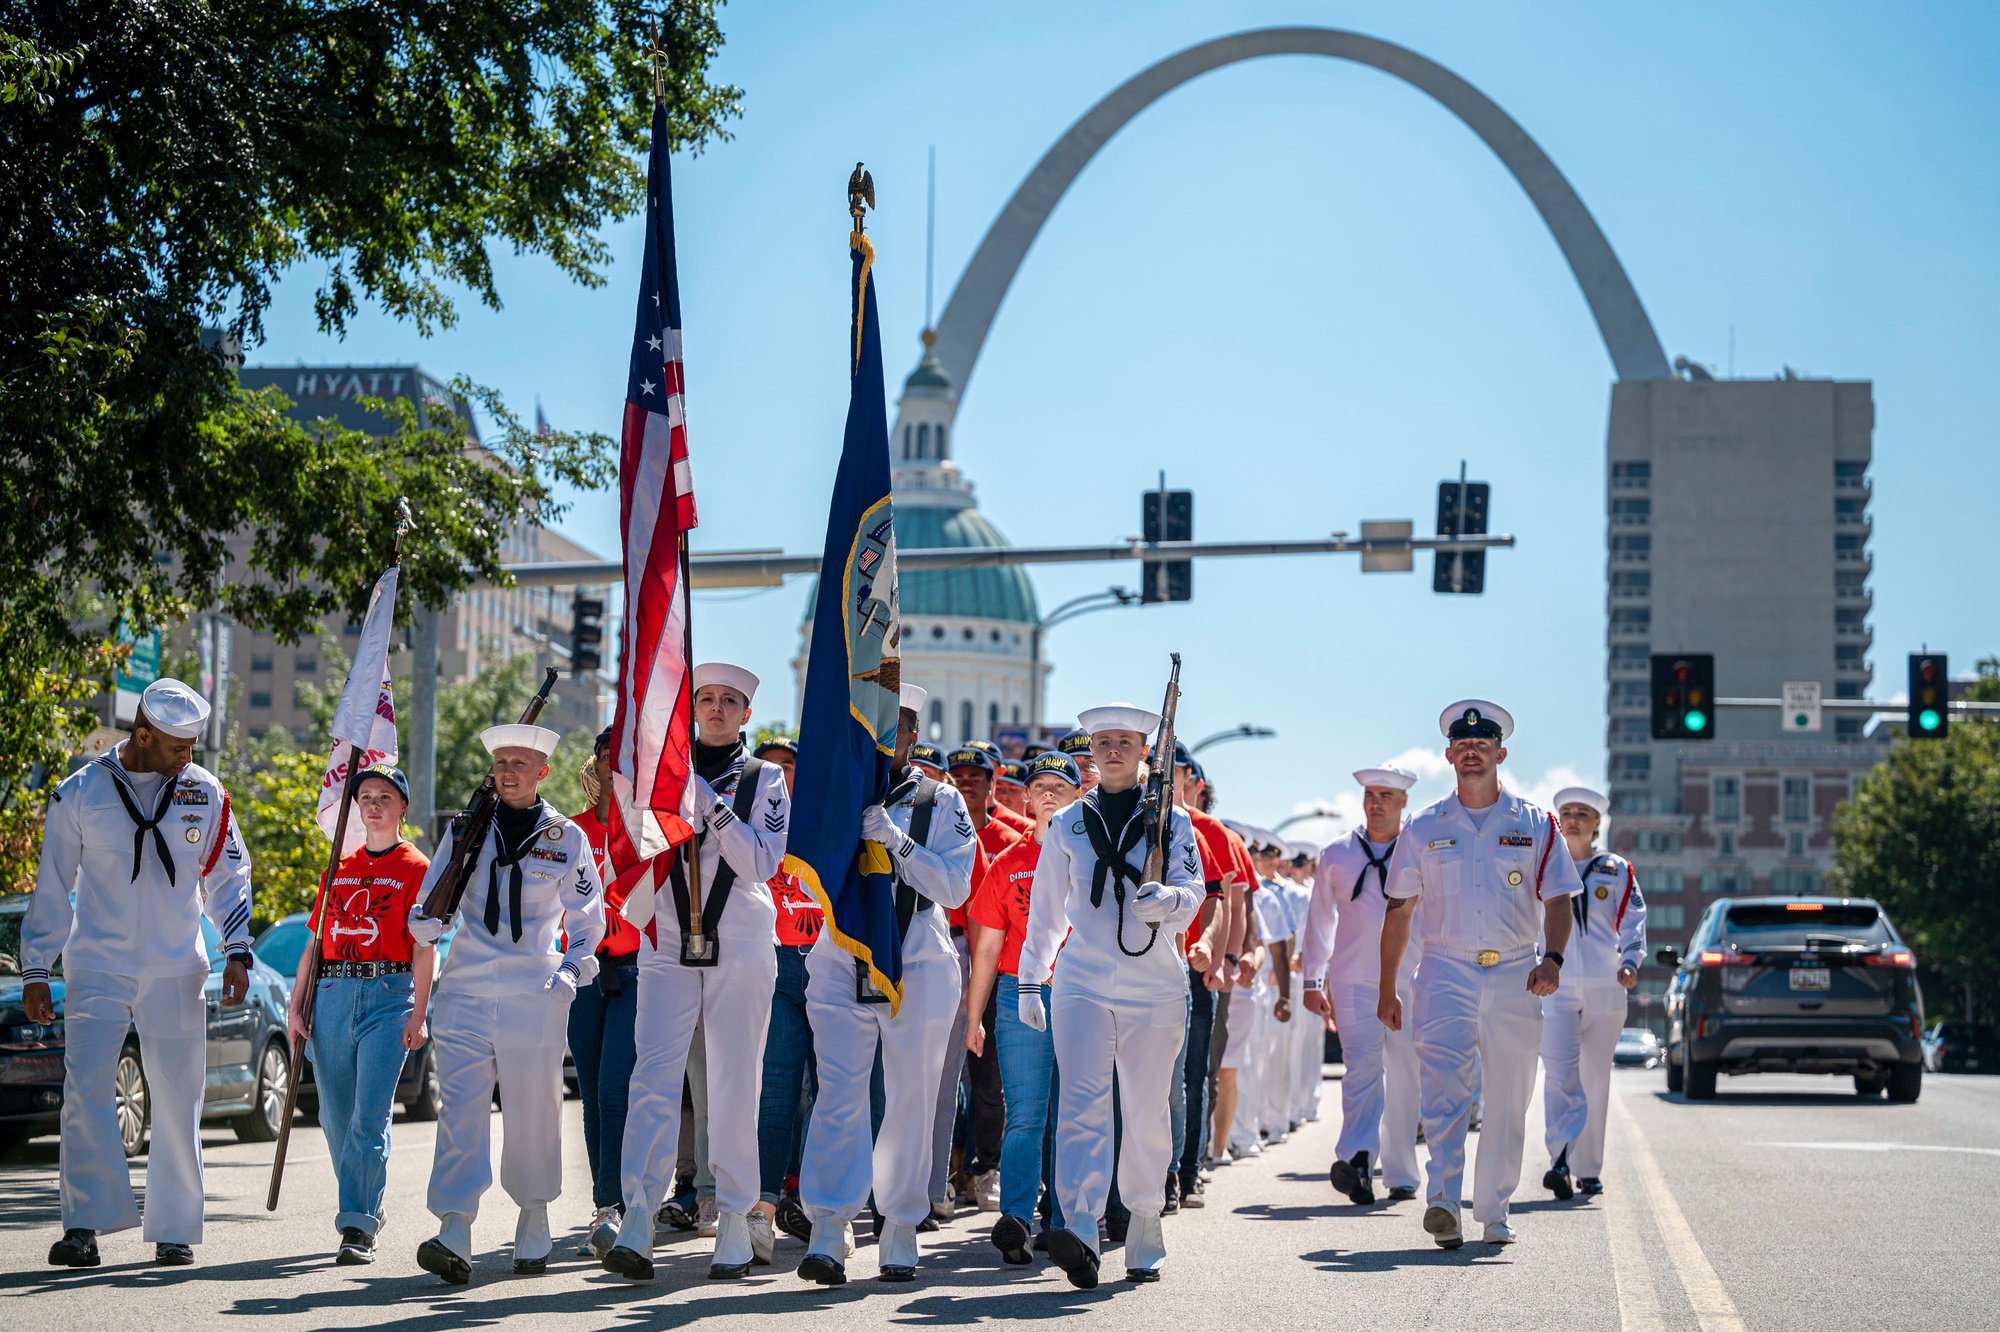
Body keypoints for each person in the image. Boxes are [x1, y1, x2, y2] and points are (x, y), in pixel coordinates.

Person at [25, 679, 253, 1269]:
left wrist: (237, 949)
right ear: (143, 735)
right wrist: (34, 967)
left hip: (177, 968)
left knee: (178, 1097)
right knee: (86, 1091)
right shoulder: (80, 792)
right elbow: (51, 885)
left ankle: (173, 1228)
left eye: (195, 744)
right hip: (96, 965)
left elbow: (230, 875)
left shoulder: (205, 793)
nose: (189, 756)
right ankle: (85, 1227)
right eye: (178, 745)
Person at [603, 663, 791, 1281]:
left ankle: (735, 1217)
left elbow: (761, 862)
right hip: (665, 933)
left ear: (745, 713)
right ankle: (638, 1213)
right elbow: (630, 845)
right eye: (705, 699)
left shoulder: (765, 779)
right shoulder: (661, 772)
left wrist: (710, 807)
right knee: (653, 1076)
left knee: (737, 1082)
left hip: (739, 935)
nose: (714, 708)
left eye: (727, 701)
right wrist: (666, 794)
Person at [1378, 701, 1584, 1249]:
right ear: (1449, 755)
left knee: (1509, 1095)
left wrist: (1554, 960)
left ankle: (1494, 1209)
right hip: (1445, 969)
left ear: (1501, 753)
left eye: (1483, 745)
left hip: (1518, 971)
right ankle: (1443, 1199)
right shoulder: (1423, 826)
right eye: (1463, 745)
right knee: (1444, 1090)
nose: (1472, 752)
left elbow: (1560, 899)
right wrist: (1387, 987)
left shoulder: (1536, 823)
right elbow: (1399, 909)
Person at [407, 723, 605, 1284]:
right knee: (460, 1112)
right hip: (466, 987)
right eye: (501, 762)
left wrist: (572, 968)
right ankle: (455, 1225)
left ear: (543, 771)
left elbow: (589, 922)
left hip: (534, 988)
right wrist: (422, 921)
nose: (509, 771)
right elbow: (429, 902)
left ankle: (534, 1215)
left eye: (521, 762)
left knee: (534, 1111)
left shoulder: (565, 837)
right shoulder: (467, 828)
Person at [796, 684, 977, 1286]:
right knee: (839, 1093)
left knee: (911, 1097)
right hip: (842, 956)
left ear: (913, 734)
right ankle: (829, 1228)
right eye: (875, 720)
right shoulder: (832, 792)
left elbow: (956, 888)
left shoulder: (941, 801)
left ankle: (898, 1225)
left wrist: (898, 844)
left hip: (919, 957)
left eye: (897, 724)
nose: (885, 733)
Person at [1018, 703, 1204, 1288]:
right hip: (1083, 979)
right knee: (1081, 1105)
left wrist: (1169, 905)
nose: (1114, 750)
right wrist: (1030, 978)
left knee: (1146, 1108)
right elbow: (1046, 912)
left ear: (1146, 749)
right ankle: (1078, 1224)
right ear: (1090, 752)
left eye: (1126, 741)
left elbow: (1193, 888)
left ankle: (1145, 1223)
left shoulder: (1172, 820)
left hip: (1154, 982)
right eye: (1103, 742)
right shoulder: (1070, 822)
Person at [288, 763, 435, 1265]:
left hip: (389, 995)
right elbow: (314, 943)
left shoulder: (418, 867)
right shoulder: (339, 868)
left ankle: (357, 1224)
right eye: (365, 796)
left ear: (402, 807)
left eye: (384, 796)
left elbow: (424, 949)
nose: (373, 804)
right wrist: (295, 1005)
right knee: (334, 1117)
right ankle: (366, 1200)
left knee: (369, 1118)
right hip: (331, 996)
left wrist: (419, 1012)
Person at [963, 750, 1081, 1264]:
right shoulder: (1007, 864)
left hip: (1082, 994)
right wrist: (975, 1019)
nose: (1050, 793)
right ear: (1026, 799)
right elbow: (985, 948)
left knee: (1071, 1113)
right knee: (1027, 1114)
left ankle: (1063, 1219)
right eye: (1040, 787)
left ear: (1081, 795)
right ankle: (1015, 1218)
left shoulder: (1094, 857)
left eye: (1062, 785)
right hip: (1019, 996)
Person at [1301, 764, 1422, 1206]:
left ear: (1403, 801)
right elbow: (1319, 921)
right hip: (1352, 979)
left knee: (1407, 1076)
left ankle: (1403, 1172)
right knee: (1361, 1072)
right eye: (1371, 794)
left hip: (1410, 978)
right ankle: (1356, 1162)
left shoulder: (1421, 849)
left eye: (1387, 796)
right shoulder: (1336, 853)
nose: (1377, 803)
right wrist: (1313, 980)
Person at [1539, 785, 1644, 1199]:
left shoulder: (1615, 869)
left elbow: (1634, 919)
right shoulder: (1543, 865)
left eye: (1584, 813)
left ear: (1598, 824)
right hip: (1556, 988)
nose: (1574, 819)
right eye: (1567, 812)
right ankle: (1561, 1159)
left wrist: (1631, 961)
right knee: (1560, 1075)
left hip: (1606, 986)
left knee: (1595, 1078)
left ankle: (1588, 1168)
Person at [564, 728, 641, 1259]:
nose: (615, 768)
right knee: (591, 1097)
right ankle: (604, 1202)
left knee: (618, 1090)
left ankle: (617, 1203)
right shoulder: (569, 832)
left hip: (638, 970)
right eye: (606, 758)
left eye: (625, 759)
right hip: (584, 974)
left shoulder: (652, 831)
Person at [750, 734, 819, 1246]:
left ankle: (816, 1204)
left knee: (828, 1094)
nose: (779, 775)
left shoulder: (825, 821)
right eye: (768, 767)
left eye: (790, 766)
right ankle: (762, 1205)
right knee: (775, 1094)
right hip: (772, 969)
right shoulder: (752, 829)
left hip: (829, 967)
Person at [941, 746, 1010, 1214]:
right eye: (958, 775)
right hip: (936, 953)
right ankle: (947, 1168)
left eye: (976, 775)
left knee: (986, 1078)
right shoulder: (934, 824)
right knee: (941, 1078)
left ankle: (986, 1169)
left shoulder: (1011, 837)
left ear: (993, 781)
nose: (967, 783)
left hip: (990, 961)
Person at [1167, 752, 1236, 1211]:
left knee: (1191, 1074)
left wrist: (1216, 951)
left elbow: (1223, 898)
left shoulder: (1202, 829)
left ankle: (1186, 1173)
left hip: (1190, 969)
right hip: (1140, 966)